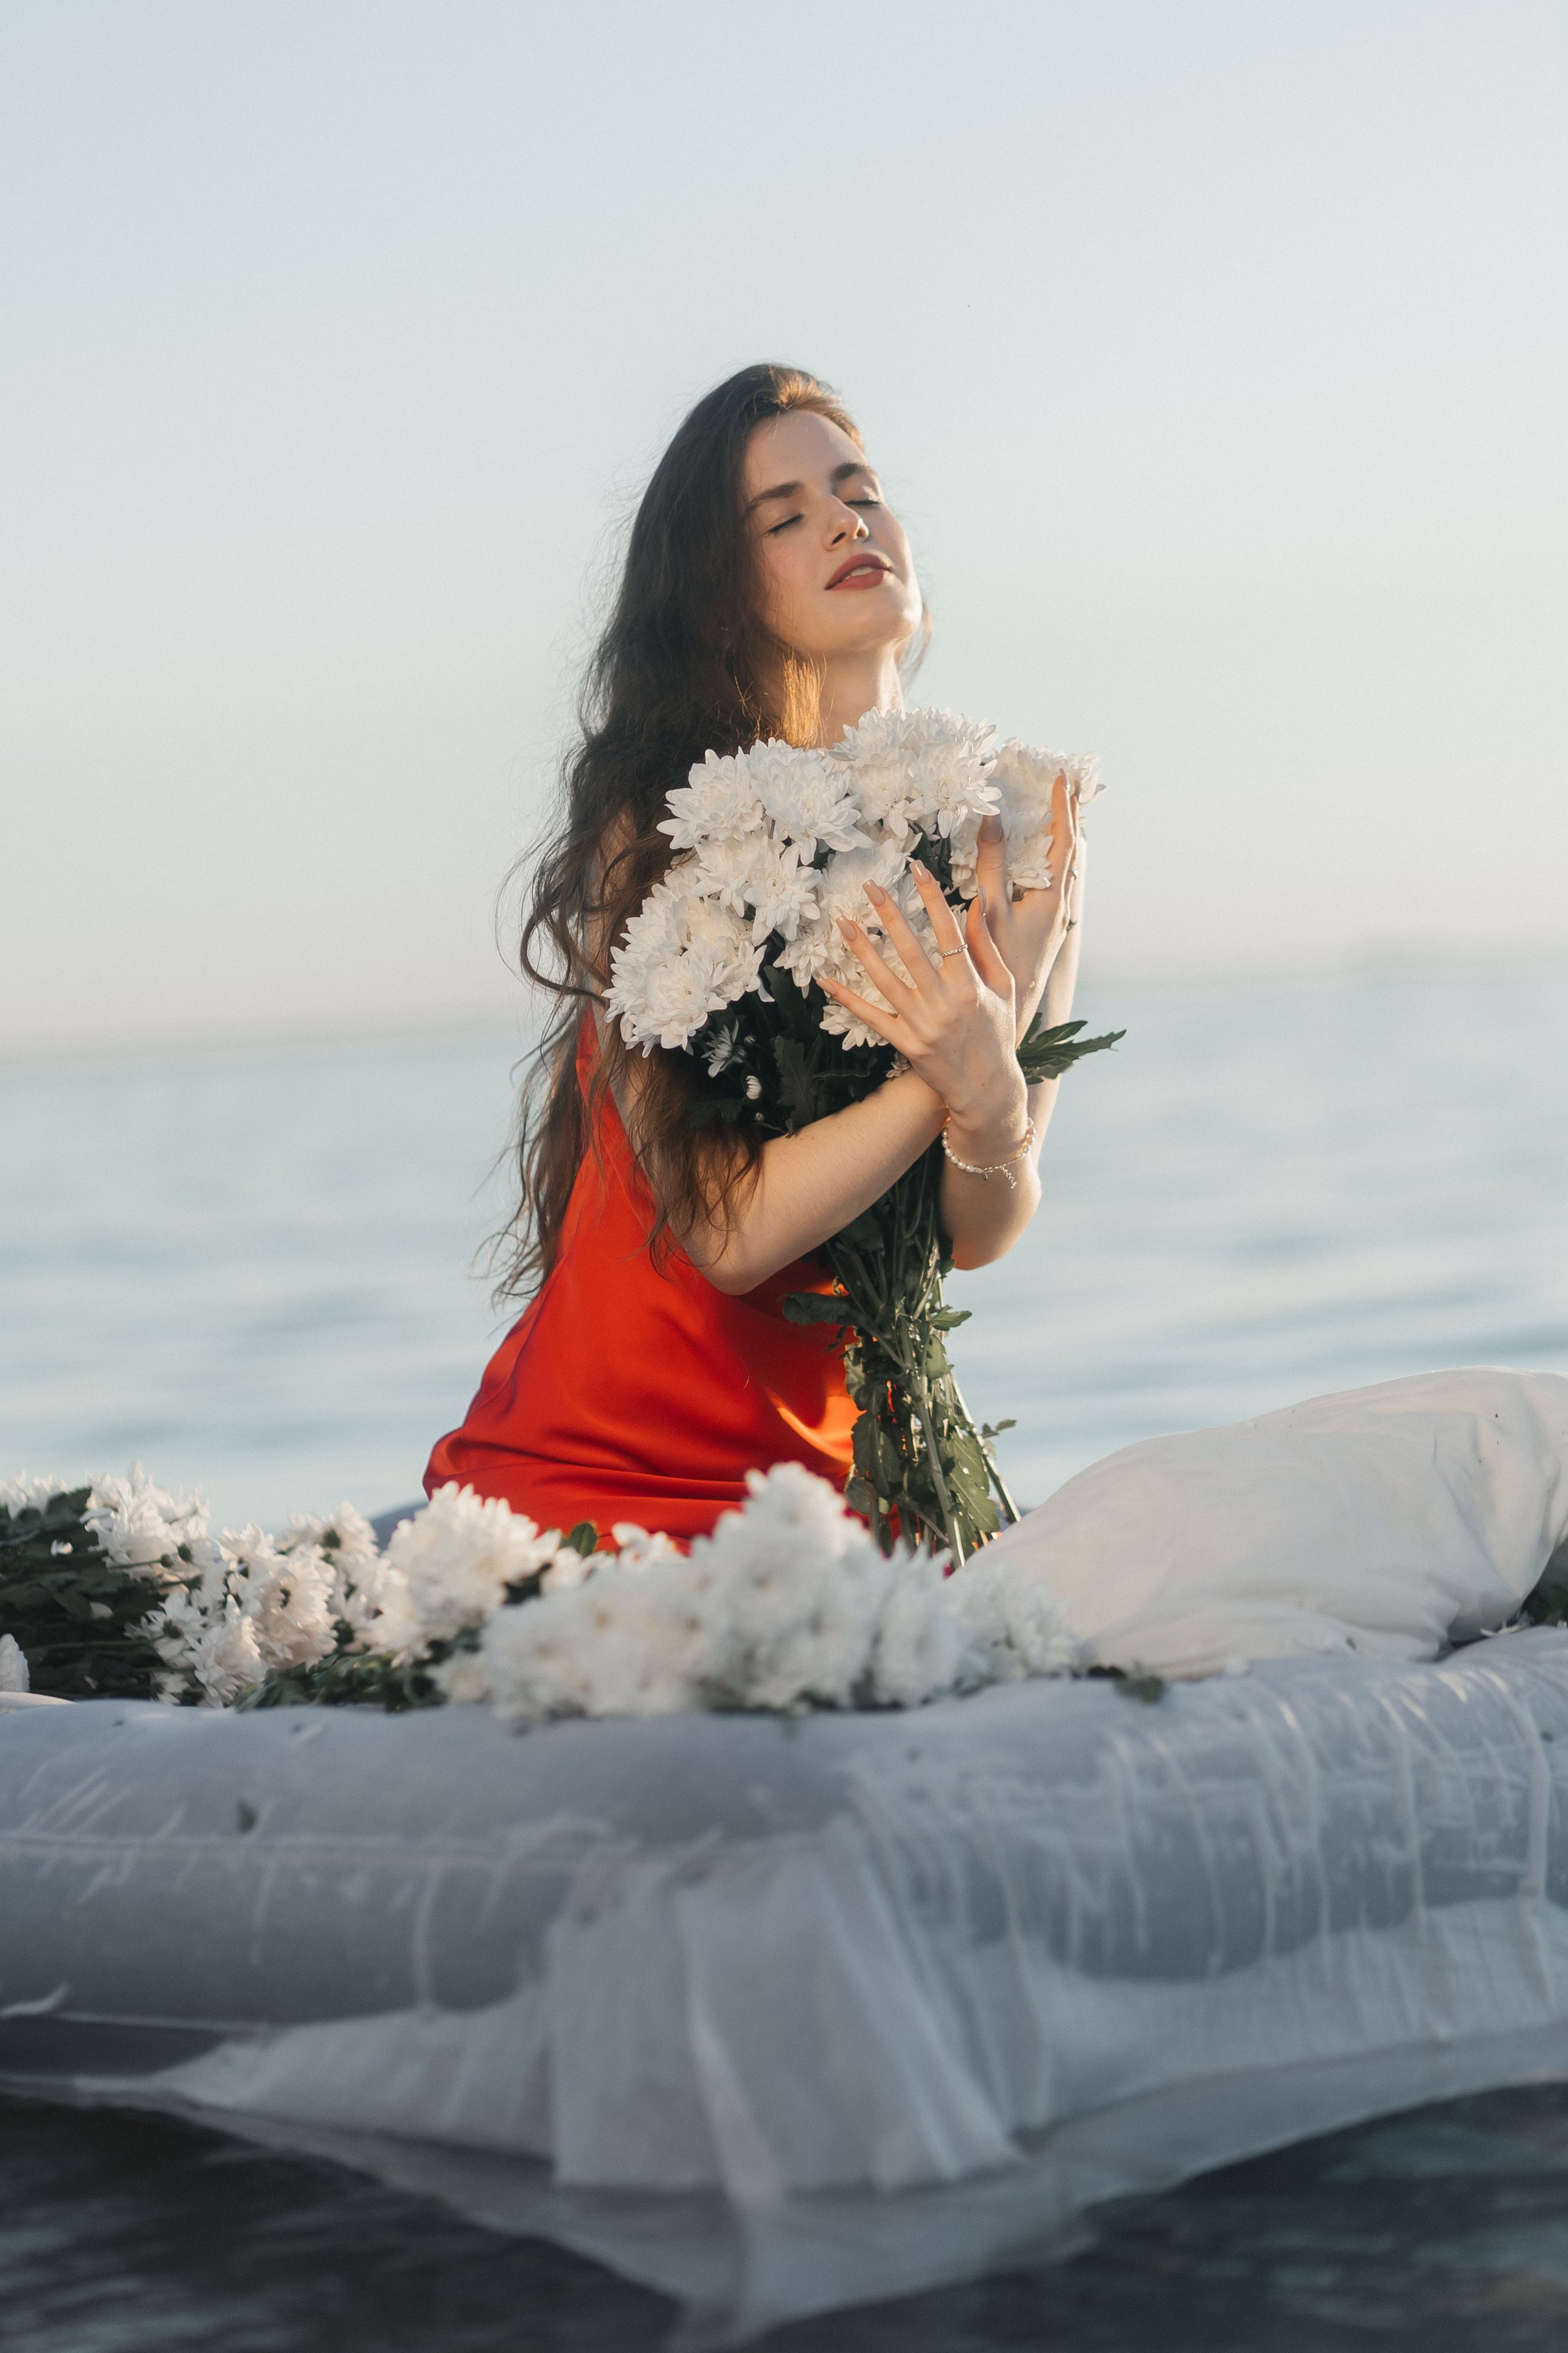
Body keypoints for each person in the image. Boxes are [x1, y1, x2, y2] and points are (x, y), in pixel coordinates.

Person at [426, 364, 1086, 1543]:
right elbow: (725, 1237)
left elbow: (979, 1235)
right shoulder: (659, 826)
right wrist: (950, 1075)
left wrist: (993, 1104)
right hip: (608, 1468)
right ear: (718, 598)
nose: (845, 523)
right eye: (784, 518)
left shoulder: (1023, 833)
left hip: (855, 1478)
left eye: (860, 492)